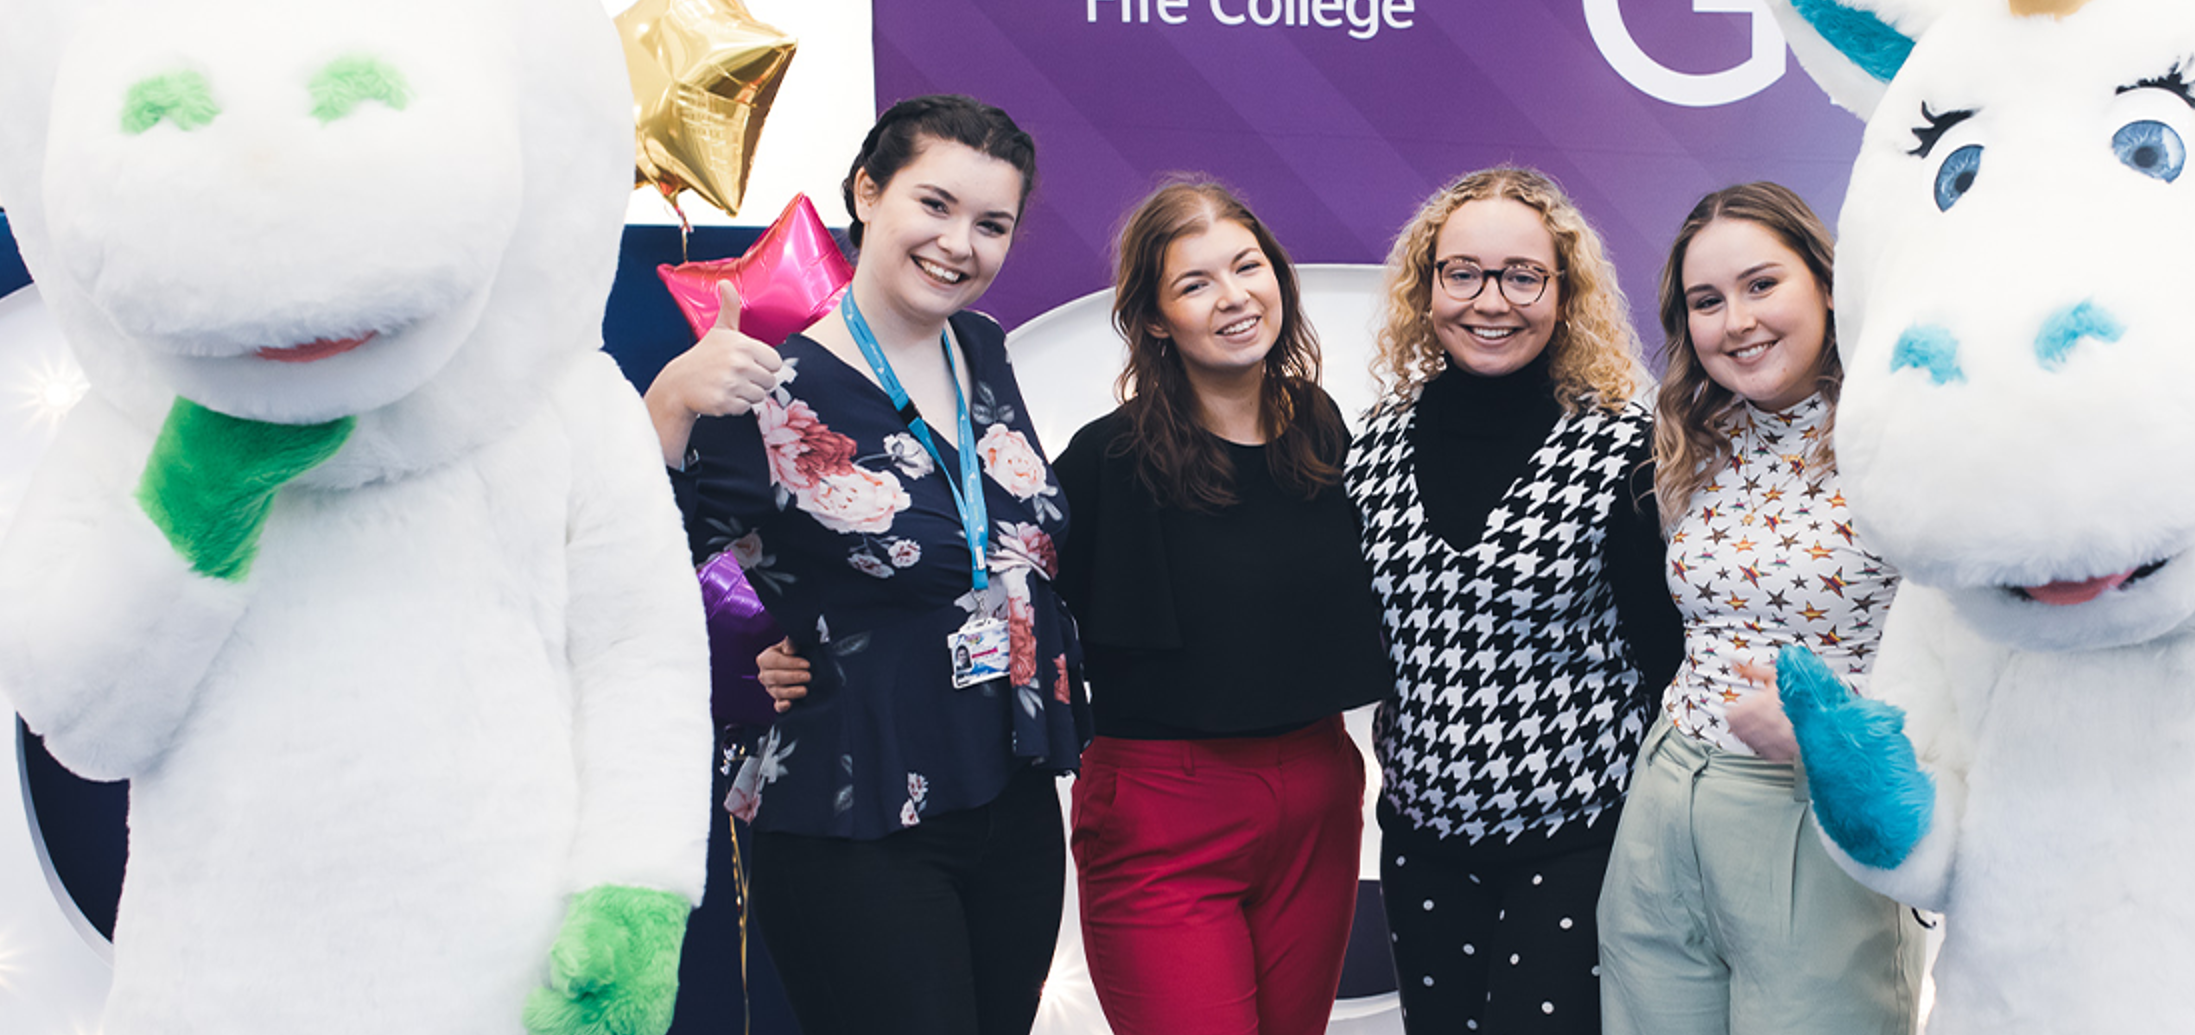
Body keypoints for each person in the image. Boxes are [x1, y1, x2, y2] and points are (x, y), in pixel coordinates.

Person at [645, 94, 1086, 1035]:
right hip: (855, 811)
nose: (958, 242)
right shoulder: (762, 379)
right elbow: (635, 568)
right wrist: (668, 403)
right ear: (868, 192)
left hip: (1009, 793)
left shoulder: (984, 347)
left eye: (991, 223)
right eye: (934, 204)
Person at [1048, 180, 1395, 1035]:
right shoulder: (1108, 457)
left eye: (1248, 266)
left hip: (1317, 791)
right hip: (1164, 804)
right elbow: (1007, 595)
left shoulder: (1321, 429)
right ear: (1157, 319)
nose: (1235, 296)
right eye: (1196, 282)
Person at [1350, 166, 1685, 1034]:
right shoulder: (1374, 444)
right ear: (1426, 290)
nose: (1488, 300)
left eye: (1521, 275)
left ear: (1564, 294)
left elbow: (1666, 657)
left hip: (1579, 839)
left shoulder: (1622, 449)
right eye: (1461, 272)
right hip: (1421, 838)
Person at [1594, 182, 1922, 1034]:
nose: (1736, 320)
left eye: (1761, 284)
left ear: (1825, 282)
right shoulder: (1691, 439)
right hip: (1666, 796)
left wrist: (1841, 739)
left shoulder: (1905, 438)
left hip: (1816, 808)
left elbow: (1979, 655)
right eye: (1707, 301)